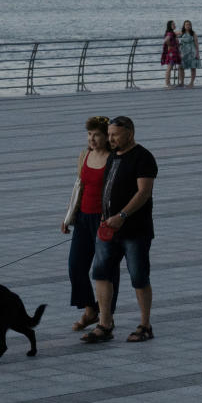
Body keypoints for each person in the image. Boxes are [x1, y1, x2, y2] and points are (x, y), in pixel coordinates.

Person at [81, 116, 158, 344]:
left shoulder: (143, 157)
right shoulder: (113, 156)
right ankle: (105, 324)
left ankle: (145, 325)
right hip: (108, 229)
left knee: (139, 277)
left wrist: (122, 215)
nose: (110, 139)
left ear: (130, 133)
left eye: (114, 134)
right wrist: (104, 217)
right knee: (101, 274)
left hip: (135, 231)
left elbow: (143, 192)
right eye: (109, 134)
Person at [60, 115, 118, 332]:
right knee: (75, 266)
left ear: (107, 137)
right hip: (83, 218)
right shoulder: (85, 155)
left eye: (97, 135)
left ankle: (106, 316)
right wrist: (68, 217)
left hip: (104, 220)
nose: (92, 139)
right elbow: (79, 187)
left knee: (106, 269)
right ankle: (89, 309)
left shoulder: (114, 158)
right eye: (89, 134)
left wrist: (113, 217)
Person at [177, 20, 200, 88]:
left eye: (189, 24)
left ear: (191, 26)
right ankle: (182, 82)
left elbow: (196, 44)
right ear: (184, 26)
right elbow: (172, 34)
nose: (188, 26)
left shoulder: (193, 33)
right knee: (181, 67)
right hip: (183, 52)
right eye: (186, 24)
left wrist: (197, 53)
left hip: (192, 52)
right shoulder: (181, 32)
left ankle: (191, 83)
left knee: (193, 67)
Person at [161, 21, 180, 88]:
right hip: (171, 53)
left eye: (174, 24)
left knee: (170, 67)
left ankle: (168, 83)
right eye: (173, 24)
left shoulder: (172, 33)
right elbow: (166, 40)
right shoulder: (170, 33)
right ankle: (168, 84)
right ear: (170, 26)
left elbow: (178, 33)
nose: (174, 25)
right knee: (169, 67)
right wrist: (170, 45)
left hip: (172, 53)